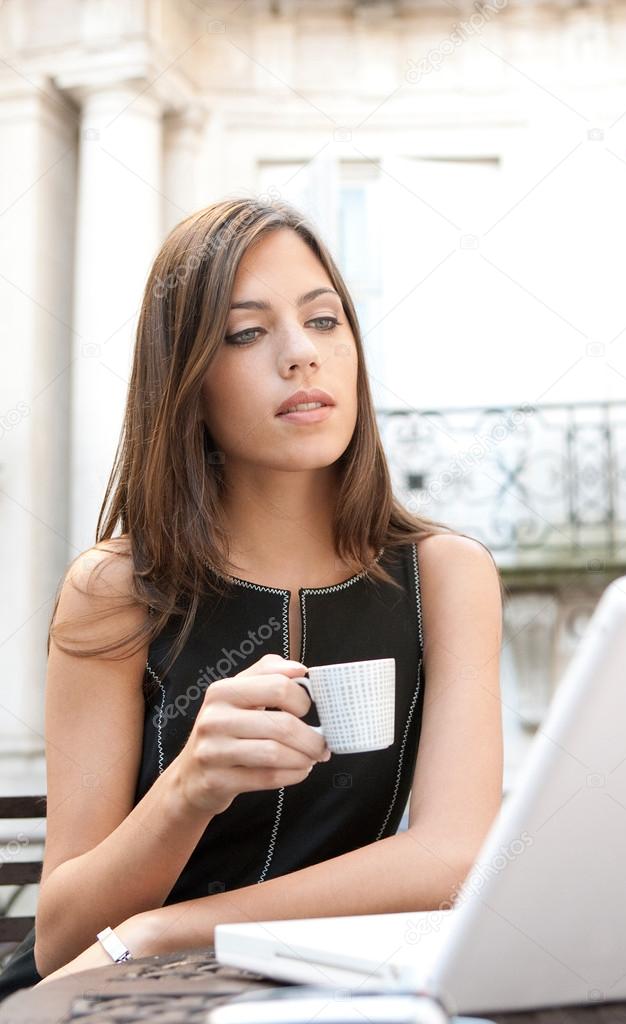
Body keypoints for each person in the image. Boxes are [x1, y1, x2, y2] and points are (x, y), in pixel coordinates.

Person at [0, 196, 504, 1001]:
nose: (301, 354)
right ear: (187, 382)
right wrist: (187, 790)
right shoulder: (117, 591)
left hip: (319, 991)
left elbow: (451, 857)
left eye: (324, 320)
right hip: (116, 1000)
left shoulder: (446, 577)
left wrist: (167, 928)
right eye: (246, 332)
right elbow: (63, 937)